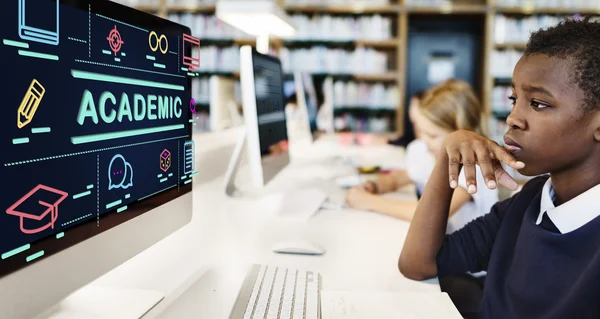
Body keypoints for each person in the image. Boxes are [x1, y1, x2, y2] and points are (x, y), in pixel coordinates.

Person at [399, 18, 600, 318]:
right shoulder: (530, 201)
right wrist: (447, 157)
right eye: (514, 99)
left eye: (538, 104)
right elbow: (418, 264)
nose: (513, 118)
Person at [346, 79, 497, 234]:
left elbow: (430, 215)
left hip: (470, 254)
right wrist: (375, 186)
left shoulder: (475, 169)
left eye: (432, 135)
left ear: (461, 133)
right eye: (421, 132)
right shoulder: (433, 155)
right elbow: (399, 178)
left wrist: (370, 202)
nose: (424, 141)